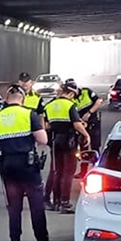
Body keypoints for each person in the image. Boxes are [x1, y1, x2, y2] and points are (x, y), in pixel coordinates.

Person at [0, 85, 63, 241]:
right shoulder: (29, 114)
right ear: (22, 99)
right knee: (37, 207)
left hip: (7, 168)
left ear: (7, 99)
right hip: (28, 167)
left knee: (14, 209)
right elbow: (43, 139)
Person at [43, 81, 89, 213]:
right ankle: (65, 203)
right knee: (68, 172)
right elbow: (76, 124)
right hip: (69, 142)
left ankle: (53, 201)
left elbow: (46, 126)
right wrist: (86, 134)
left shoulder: (49, 105)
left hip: (54, 141)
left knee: (55, 170)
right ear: (70, 93)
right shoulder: (70, 105)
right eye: (73, 95)